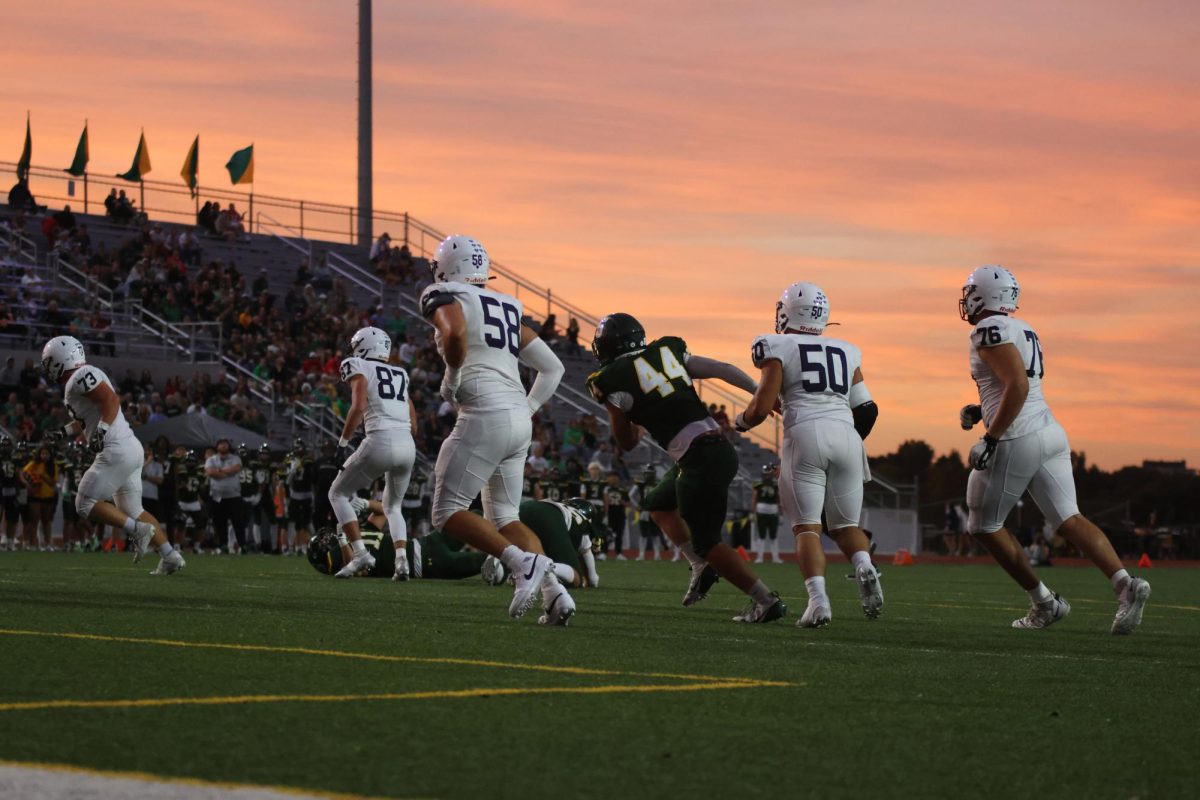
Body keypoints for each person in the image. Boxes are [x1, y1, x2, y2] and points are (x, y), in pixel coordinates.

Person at [956, 265, 1150, 633]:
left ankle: (1044, 602)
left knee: (983, 525)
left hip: (1017, 437)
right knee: (1070, 519)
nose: (966, 300)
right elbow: (1014, 387)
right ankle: (1126, 585)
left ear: (983, 295)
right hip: (1049, 432)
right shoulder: (1024, 328)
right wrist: (981, 410)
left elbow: (1017, 386)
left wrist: (991, 436)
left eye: (969, 292)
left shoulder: (988, 329)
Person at [586, 312, 786, 623]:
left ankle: (764, 600)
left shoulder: (610, 379)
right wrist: (760, 394)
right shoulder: (667, 351)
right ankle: (698, 564)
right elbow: (724, 369)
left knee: (710, 542)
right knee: (658, 503)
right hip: (719, 449)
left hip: (698, 460)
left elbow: (625, 442)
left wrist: (637, 425)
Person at [419, 234, 574, 622]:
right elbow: (554, 367)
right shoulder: (505, 305)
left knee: (446, 512)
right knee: (506, 517)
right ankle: (555, 594)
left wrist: (453, 376)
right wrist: (529, 407)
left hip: (484, 414)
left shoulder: (442, 293)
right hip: (518, 420)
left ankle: (520, 563)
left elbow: (454, 332)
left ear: (444, 268)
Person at [737, 282, 882, 628]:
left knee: (807, 528)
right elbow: (868, 409)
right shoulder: (847, 350)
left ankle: (819, 602)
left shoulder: (778, 344)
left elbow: (760, 407)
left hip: (806, 433)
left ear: (787, 313)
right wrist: (847, 441)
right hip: (847, 433)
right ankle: (864, 565)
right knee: (846, 526)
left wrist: (741, 422)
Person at [39, 336, 184, 574]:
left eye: (49, 362)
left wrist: (102, 430)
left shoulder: (79, 376)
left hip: (116, 449)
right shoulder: (81, 378)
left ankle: (137, 530)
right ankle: (170, 555)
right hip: (129, 448)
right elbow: (86, 418)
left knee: (84, 502)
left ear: (59, 360)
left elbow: (110, 400)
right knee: (134, 510)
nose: (47, 368)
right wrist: (63, 431)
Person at [328, 326, 418, 580]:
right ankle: (402, 562)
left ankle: (361, 554)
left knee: (337, 493)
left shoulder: (358, 364)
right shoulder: (401, 373)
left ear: (362, 346)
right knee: (393, 507)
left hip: (380, 438)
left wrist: (343, 443)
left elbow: (358, 406)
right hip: (407, 445)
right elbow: (414, 422)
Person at [205, 438, 247, 553]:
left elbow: (236, 468)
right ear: (217, 446)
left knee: (238, 521)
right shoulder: (211, 459)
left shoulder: (235, 458)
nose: (223, 446)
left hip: (234, 495)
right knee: (219, 522)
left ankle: (242, 545)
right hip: (217, 495)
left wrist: (218, 471)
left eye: (225, 444)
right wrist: (226, 472)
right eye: (221, 444)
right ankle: (223, 545)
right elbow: (210, 472)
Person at [22, 446, 59, 550]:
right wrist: (29, 484)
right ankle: (33, 544)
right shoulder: (34, 464)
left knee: (46, 521)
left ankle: (47, 544)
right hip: (35, 496)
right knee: (34, 520)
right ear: (39, 454)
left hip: (48, 496)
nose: (44, 456)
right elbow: (23, 472)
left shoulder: (53, 466)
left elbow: (53, 483)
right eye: (42, 453)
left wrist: (43, 475)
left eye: (46, 454)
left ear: (50, 455)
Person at [629, 465, 665, 561]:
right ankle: (642, 554)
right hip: (645, 511)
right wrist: (637, 506)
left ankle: (656, 554)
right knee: (644, 533)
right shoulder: (640, 484)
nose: (649, 475)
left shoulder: (658, 484)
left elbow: (662, 497)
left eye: (651, 473)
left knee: (655, 533)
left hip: (654, 511)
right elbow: (630, 495)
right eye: (648, 473)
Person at [751, 463, 782, 564]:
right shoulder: (758, 485)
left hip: (773, 511)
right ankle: (760, 557)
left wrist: (781, 513)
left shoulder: (776, 485)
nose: (766, 476)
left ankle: (775, 557)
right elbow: (754, 499)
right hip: (761, 511)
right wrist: (753, 512)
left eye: (767, 474)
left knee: (773, 536)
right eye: (765, 474)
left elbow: (779, 499)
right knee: (761, 535)